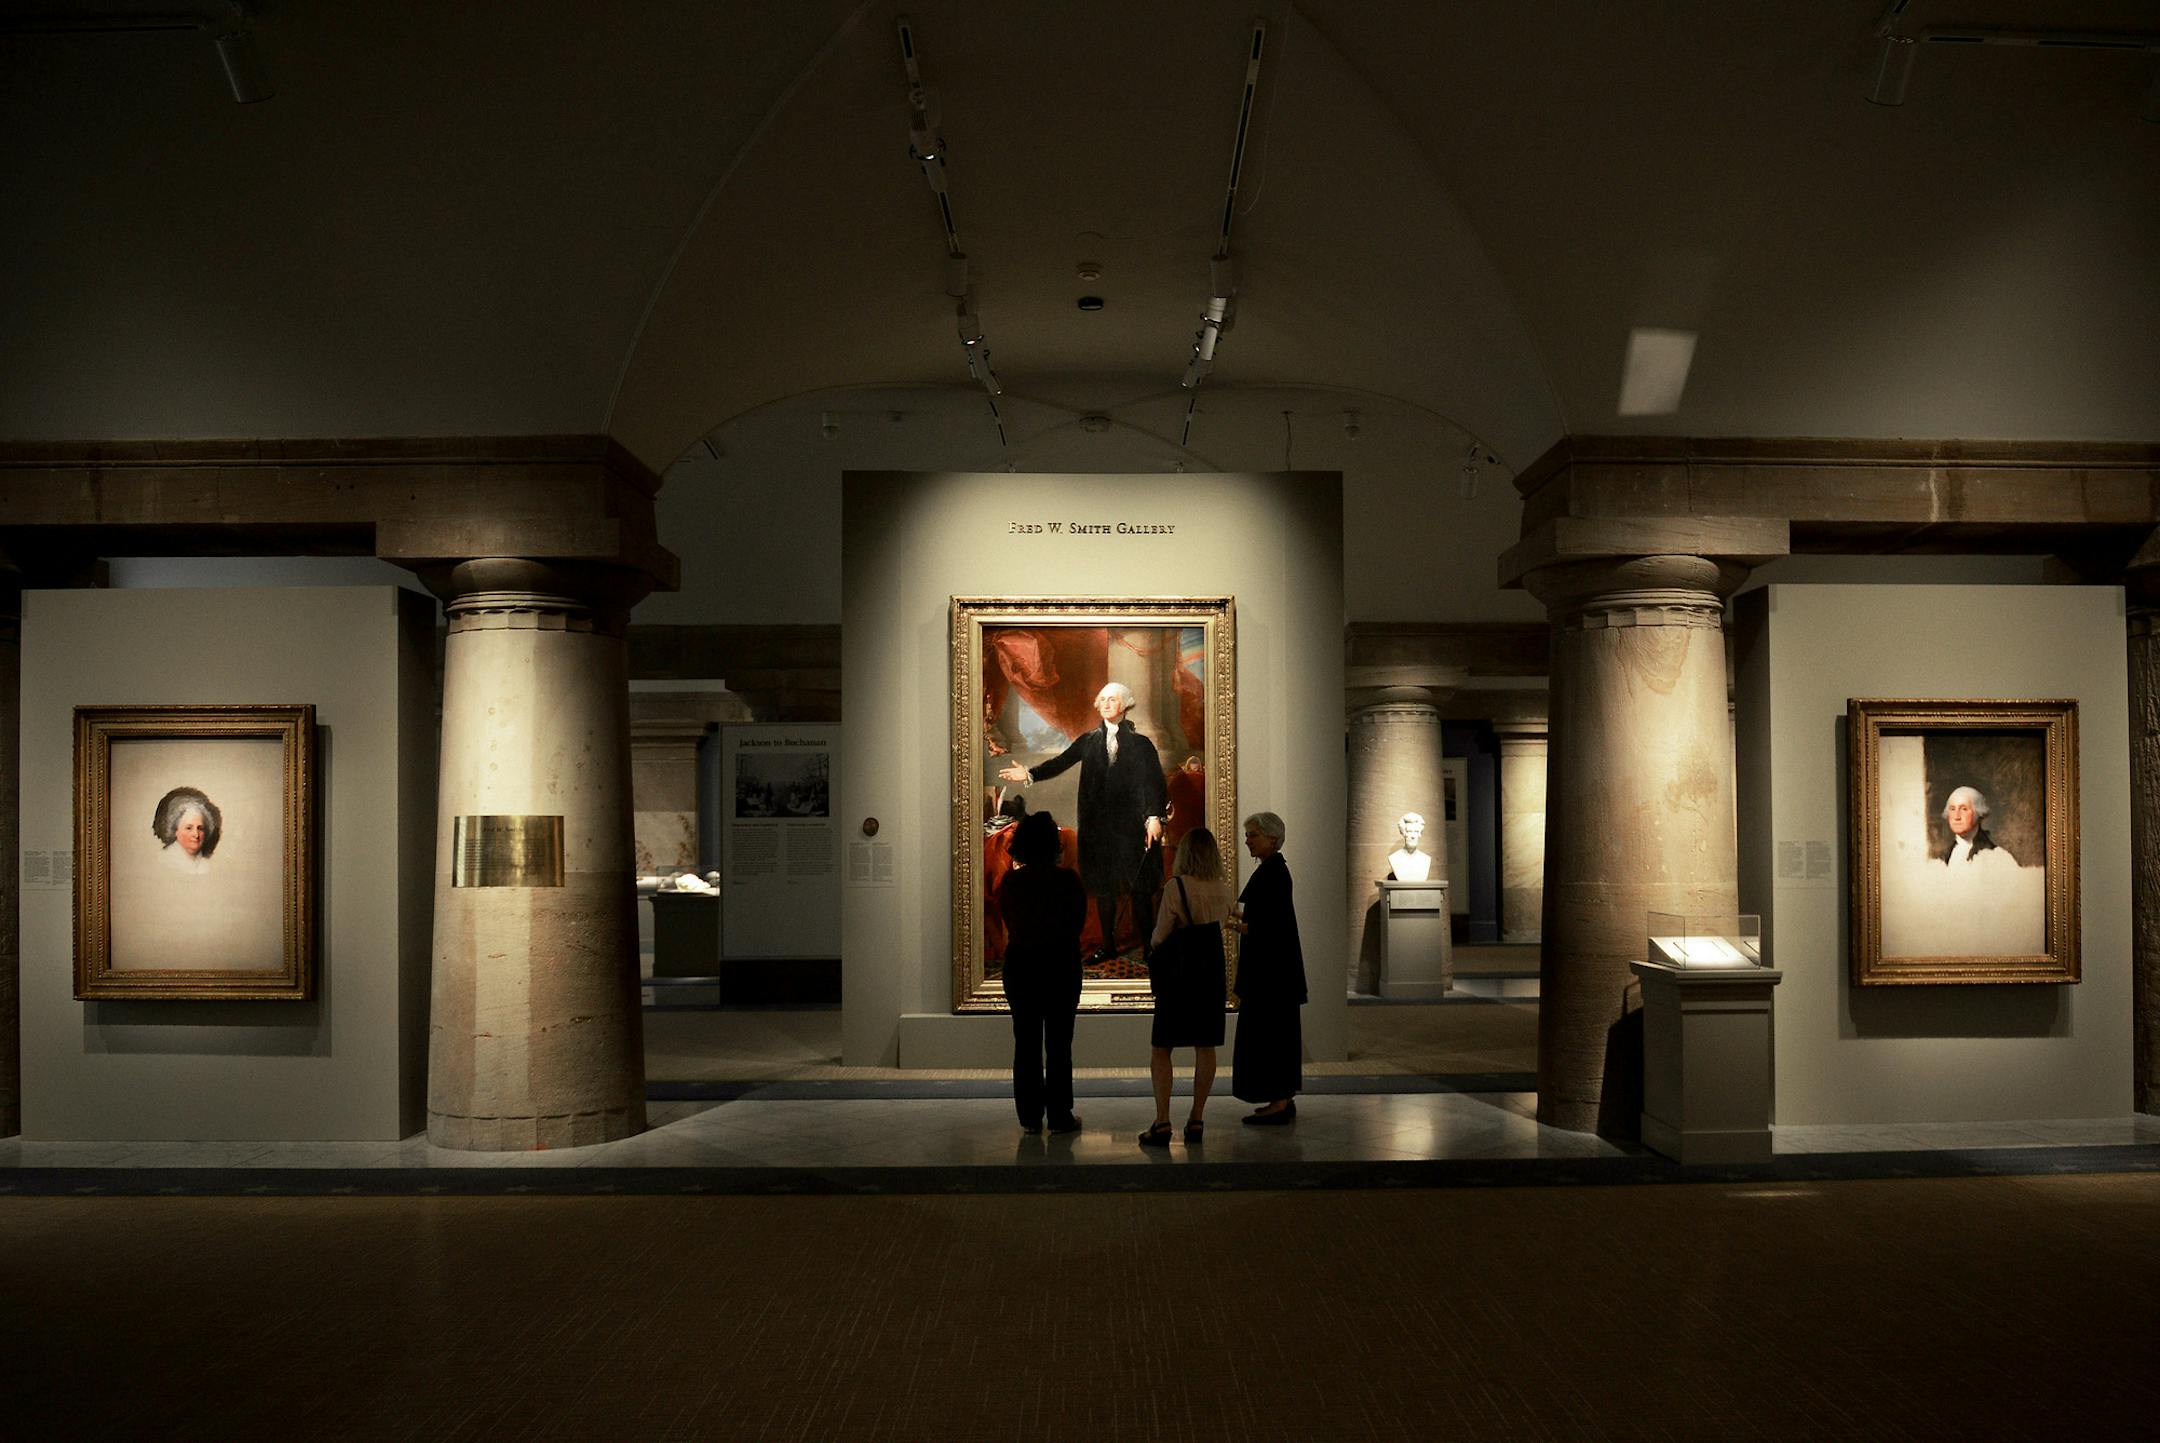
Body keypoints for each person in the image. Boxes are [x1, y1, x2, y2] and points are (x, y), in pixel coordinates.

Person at [997, 681, 1168, 964]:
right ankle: (1109, 945)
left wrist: (1153, 818)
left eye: (1112, 699)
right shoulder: (1088, 741)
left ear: (1125, 705)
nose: (1106, 704)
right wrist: (1029, 774)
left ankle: (1149, 947)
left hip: (1131, 830)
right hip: (1098, 831)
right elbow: (1060, 762)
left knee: (1138, 888)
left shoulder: (1141, 744)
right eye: (1102, 699)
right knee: (1104, 888)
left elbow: (1154, 784)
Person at [1137, 827, 1233, 1148]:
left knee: (1162, 1047)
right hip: (1211, 971)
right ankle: (1196, 1118)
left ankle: (1162, 1119)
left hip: (1179, 972)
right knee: (1205, 1046)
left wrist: (1152, 947)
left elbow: (1160, 935)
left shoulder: (1176, 887)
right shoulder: (1222, 889)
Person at [994, 810, 1088, 1136]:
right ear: (1053, 843)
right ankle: (1060, 1115)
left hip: (1021, 966)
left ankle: (1030, 1117)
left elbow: (1009, 919)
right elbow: (1077, 923)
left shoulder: (1011, 882)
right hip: (1061, 965)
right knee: (1060, 1045)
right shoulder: (1068, 880)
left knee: (1026, 1044)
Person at [1231, 810, 1307, 1124]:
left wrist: (1237, 925)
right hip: (1273, 973)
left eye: (1253, 835)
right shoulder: (1272, 870)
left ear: (1271, 838)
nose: (1247, 841)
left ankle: (1280, 1099)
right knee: (1272, 1035)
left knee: (1274, 1036)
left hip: (1272, 976)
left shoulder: (1273, 872)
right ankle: (1278, 1097)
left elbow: (1268, 927)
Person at [152, 786, 222, 875]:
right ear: (175, 830)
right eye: (189, 828)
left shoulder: (206, 865)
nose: (196, 834)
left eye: (200, 828)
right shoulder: (165, 859)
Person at [1942, 785, 2015, 866]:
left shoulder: (1999, 857)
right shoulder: (1942, 857)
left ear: (1978, 813)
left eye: (1964, 809)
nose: (1956, 816)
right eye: (1952, 809)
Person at [1387, 811, 1432, 882]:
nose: (1413, 836)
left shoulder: (1426, 859)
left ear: (1419, 834)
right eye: (1409, 831)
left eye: (1416, 832)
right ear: (1404, 833)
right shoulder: (1394, 858)